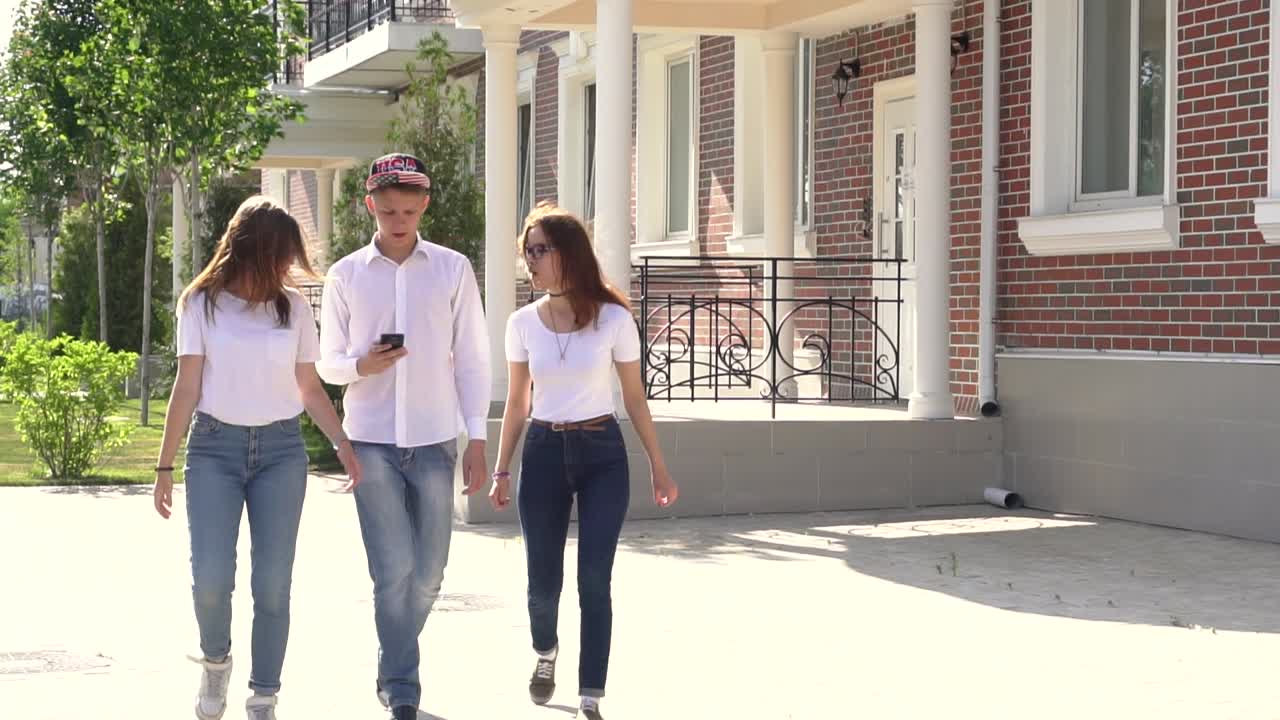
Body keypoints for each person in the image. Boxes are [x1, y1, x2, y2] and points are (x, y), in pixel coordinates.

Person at [152, 196, 362, 720]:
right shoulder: (200, 303)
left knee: (272, 582)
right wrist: (164, 465)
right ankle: (215, 661)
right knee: (211, 578)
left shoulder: (293, 308)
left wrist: (343, 444)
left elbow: (309, 387)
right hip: (214, 449)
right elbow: (187, 385)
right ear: (257, 250)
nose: (290, 264)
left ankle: (264, 694)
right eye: (284, 253)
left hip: (280, 453)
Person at [316, 153, 492, 720]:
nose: (399, 221)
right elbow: (326, 363)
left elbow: (472, 358)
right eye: (388, 210)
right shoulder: (345, 275)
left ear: (425, 206)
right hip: (370, 440)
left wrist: (477, 437)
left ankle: (392, 653)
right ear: (370, 204)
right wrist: (360, 366)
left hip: (436, 438)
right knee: (392, 571)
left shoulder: (452, 269)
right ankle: (402, 686)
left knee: (430, 573)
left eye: (409, 211)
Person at [490, 203, 679, 720]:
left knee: (594, 579)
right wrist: (502, 469)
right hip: (543, 454)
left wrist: (658, 465)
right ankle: (545, 650)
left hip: (602, 456)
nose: (529, 260)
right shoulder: (521, 324)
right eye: (526, 251)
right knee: (542, 585)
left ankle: (591, 691)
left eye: (539, 250)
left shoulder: (613, 318)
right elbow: (517, 401)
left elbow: (634, 398)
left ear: (568, 253)